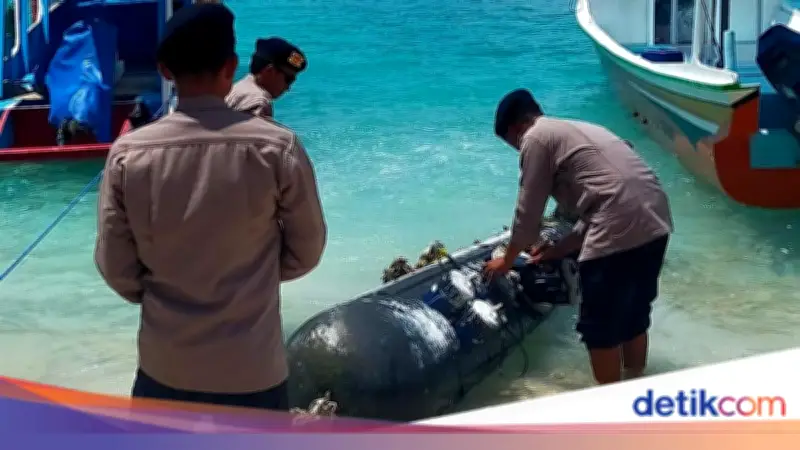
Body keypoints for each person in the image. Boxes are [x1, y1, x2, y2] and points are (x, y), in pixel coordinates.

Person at [94, 3, 327, 410]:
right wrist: (252, 280)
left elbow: (116, 266)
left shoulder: (128, 155)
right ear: (231, 65)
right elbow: (307, 250)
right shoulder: (278, 148)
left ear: (164, 70)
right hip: (252, 368)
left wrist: (166, 295)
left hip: (166, 365)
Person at [484, 88, 673, 385]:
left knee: (599, 329)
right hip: (656, 219)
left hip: (617, 224)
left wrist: (506, 260)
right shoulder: (582, 129)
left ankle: (610, 401)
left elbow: (528, 214)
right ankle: (636, 382)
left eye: (512, 144)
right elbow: (607, 199)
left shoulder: (535, 138)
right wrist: (560, 249)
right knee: (634, 317)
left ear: (517, 127)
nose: (517, 151)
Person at [225, 37, 307, 119]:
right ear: (270, 71)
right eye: (289, 79)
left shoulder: (236, 88)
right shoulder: (258, 103)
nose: (288, 88)